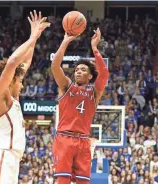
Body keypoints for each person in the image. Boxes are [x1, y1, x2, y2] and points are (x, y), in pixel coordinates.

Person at [0, 10, 50, 184]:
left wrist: (36, 38)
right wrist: (32, 37)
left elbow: (24, 63)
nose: (23, 83)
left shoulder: (12, 97)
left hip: (11, 160)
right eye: (19, 80)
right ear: (9, 80)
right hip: (1, 158)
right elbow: (12, 62)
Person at [51, 28, 109, 183]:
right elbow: (55, 66)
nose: (78, 72)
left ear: (90, 76)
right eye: (76, 69)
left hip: (83, 141)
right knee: (62, 181)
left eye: (83, 70)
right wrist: (65, 42)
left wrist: (95, 49)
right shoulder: (66, 86)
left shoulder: (94, 93)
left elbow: (104, 74)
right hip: (64, 138)